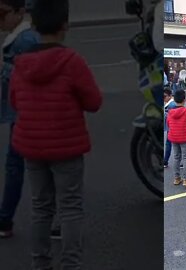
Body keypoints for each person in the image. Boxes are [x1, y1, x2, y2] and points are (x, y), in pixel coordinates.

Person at [10, 0, 103, 268]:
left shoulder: (21, 64)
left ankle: (41, 263)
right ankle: (69, 264)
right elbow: (93, 101)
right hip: (66, 147)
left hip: (31, 146)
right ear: (65, 25)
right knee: (71, 207)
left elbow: (15, 101)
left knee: (41, 207)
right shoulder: (71, 61)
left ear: (34, 25)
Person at [0, 0, 40, 238]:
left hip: (26, 113)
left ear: (19, 12)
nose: (0, 19)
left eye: (3, 13)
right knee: (22, 166)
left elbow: (28, 77)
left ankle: (6, 219)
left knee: (19, 166)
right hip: (24, 112)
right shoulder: (20, 37)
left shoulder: (24, 40)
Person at [167, 89, 186, 187]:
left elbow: (168, 124)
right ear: (184, 99)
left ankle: (177, 178)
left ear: (174, 99)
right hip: (184, 137)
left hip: (173, 137)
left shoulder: (170, 112)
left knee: (176, 157)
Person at [164, 88, 176, 168]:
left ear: (170, 96)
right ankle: (165, 161)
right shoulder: (169, 104)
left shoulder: (172, 105)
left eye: (165, 96)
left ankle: (165, 161)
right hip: (171, 128)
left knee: (171, 145)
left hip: (172, 128)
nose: (164, 98)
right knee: (171, 145)